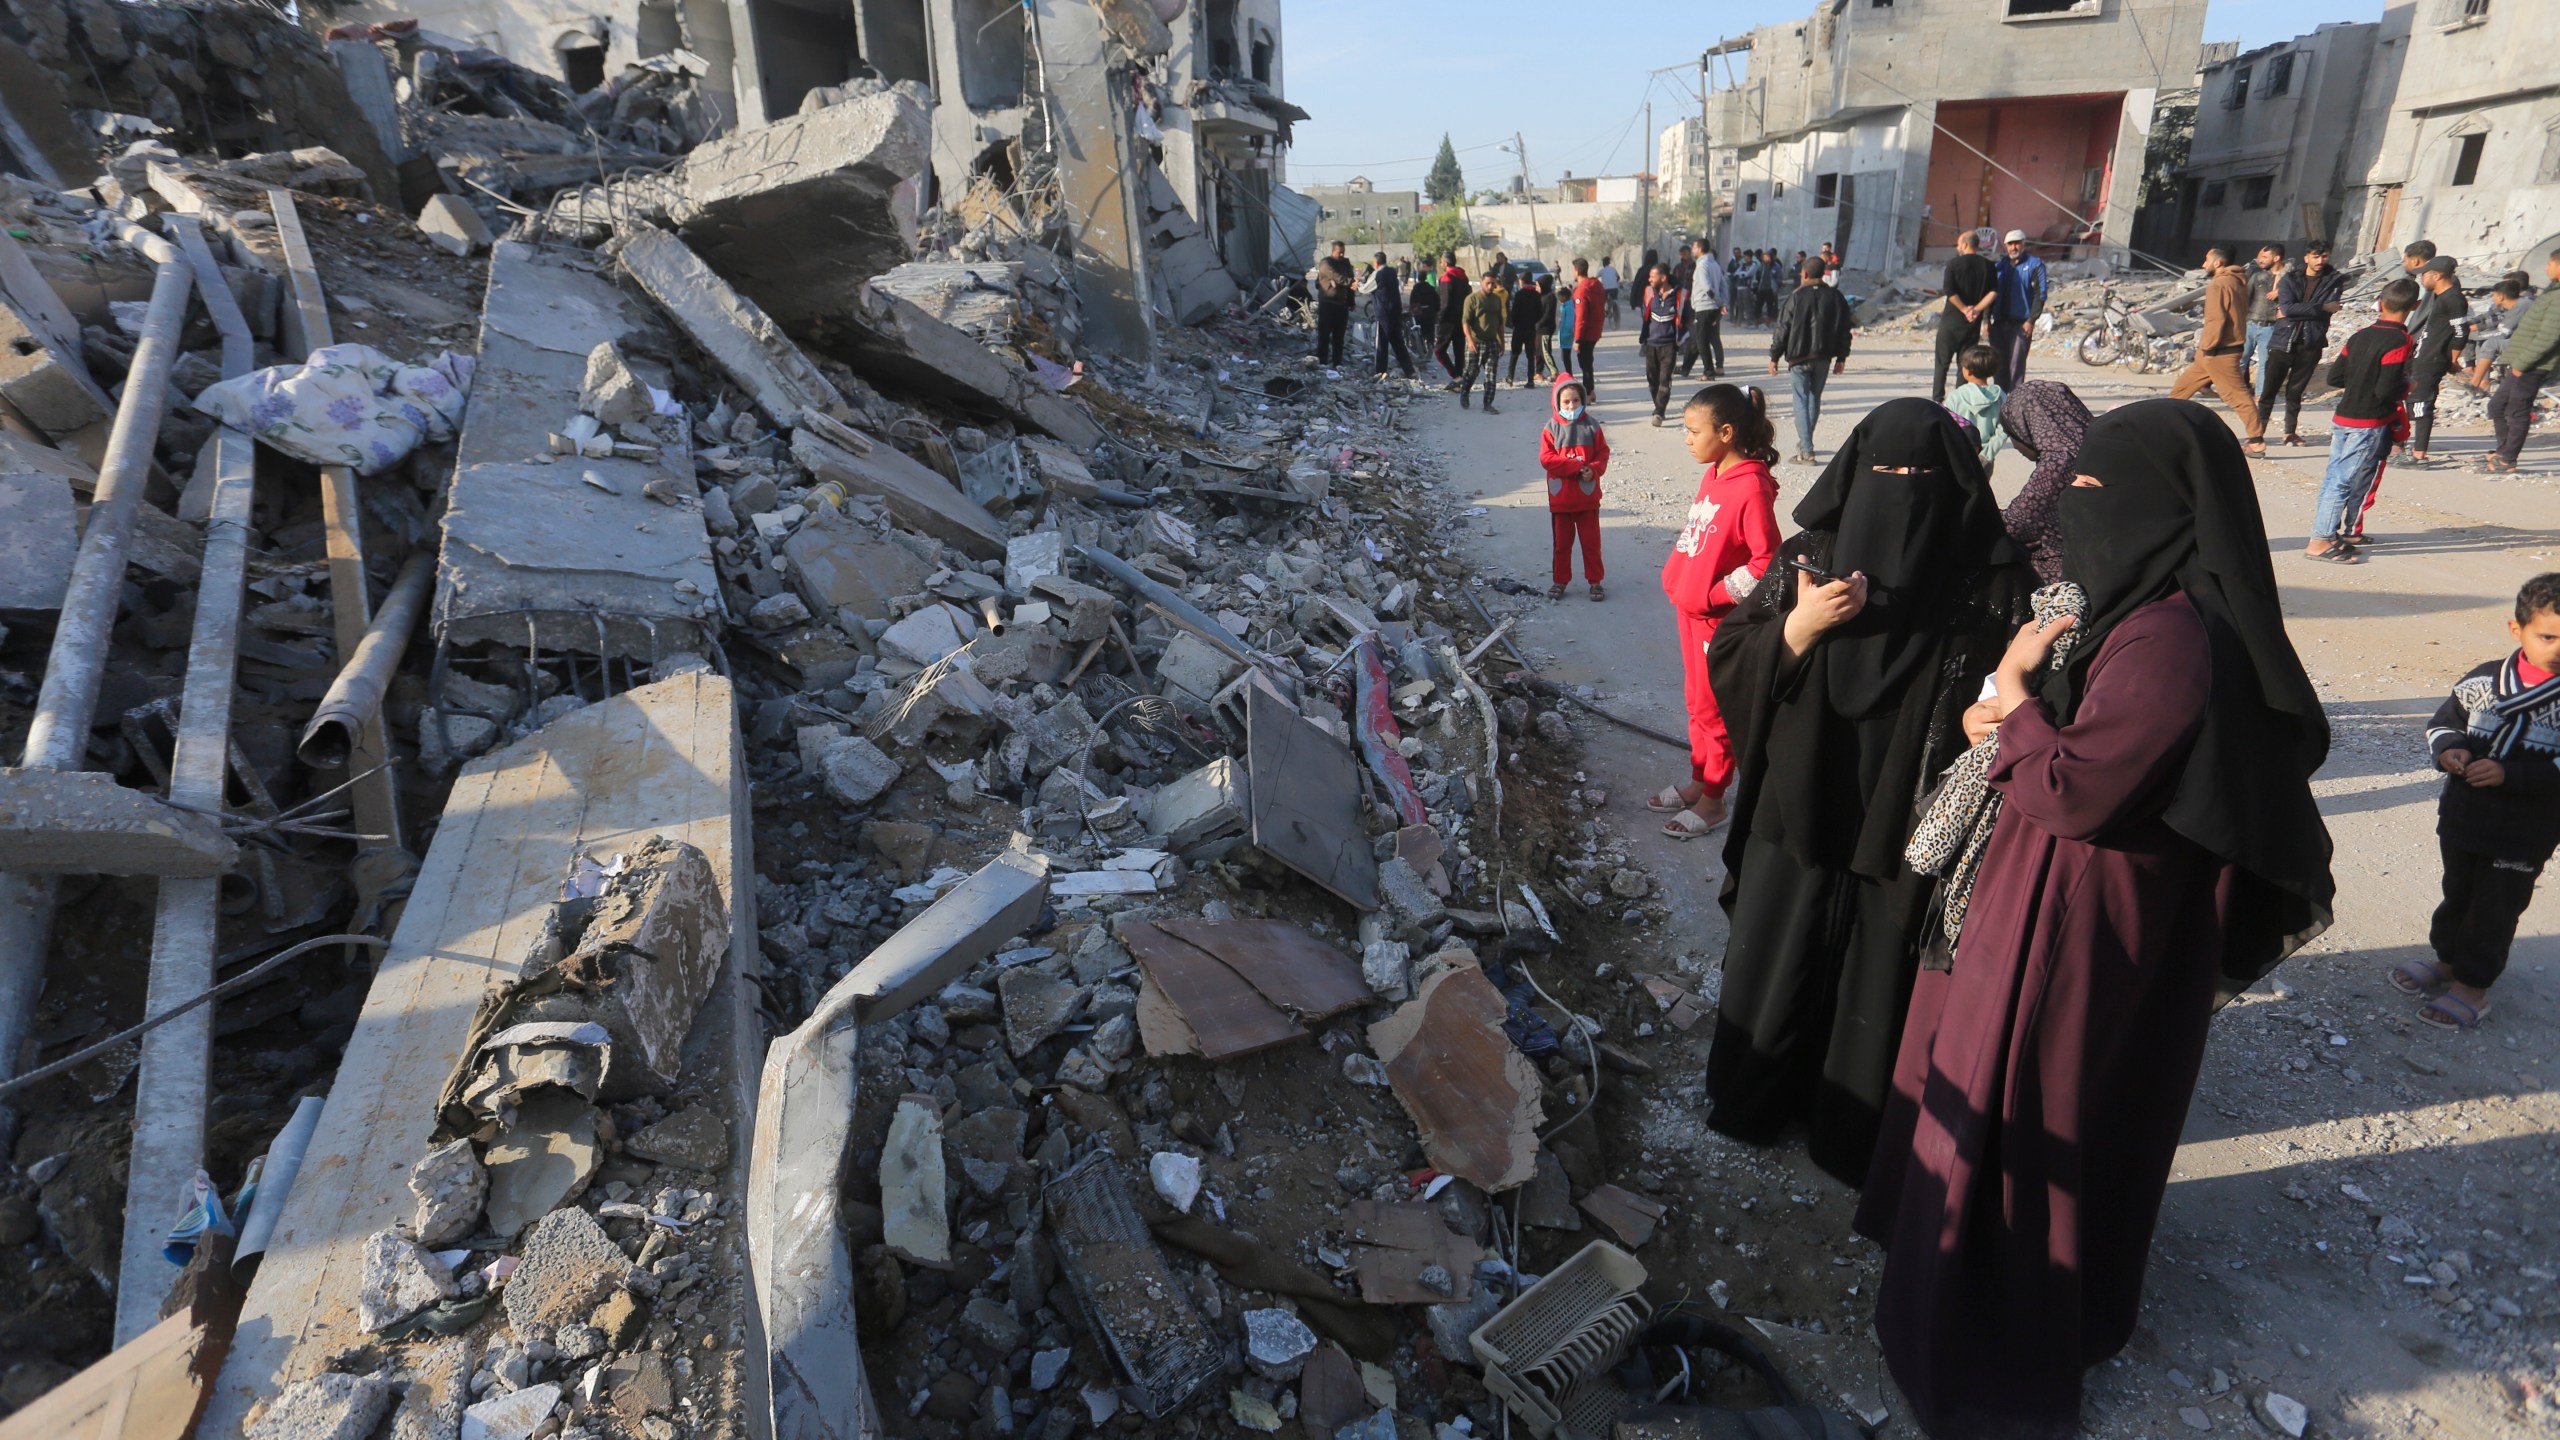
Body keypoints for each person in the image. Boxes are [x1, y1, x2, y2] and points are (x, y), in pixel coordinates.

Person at [1856, 397, 2336, 1440]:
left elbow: (2075, 791)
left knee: (2028, 1095)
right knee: (2002, 1083)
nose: (2077, 508)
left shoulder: (2168, 638)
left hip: (2079, 907)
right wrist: (2010, 714)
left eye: (2095, 490)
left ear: (2169, 506)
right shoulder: (2141, 606)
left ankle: (1988, 1343)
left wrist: (2016, 702)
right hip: (2055, 886)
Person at [1704, 398, 2032, 1184]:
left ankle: (1848, 1131)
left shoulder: (1990, 581)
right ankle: (1753, 1100)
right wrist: (1799, 628)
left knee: (1880, 972)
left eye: (1922, 474)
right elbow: (1732, 652)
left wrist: (1989, 714)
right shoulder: (1812, 556)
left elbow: (2015, 682)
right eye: (1886, 471)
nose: (1902, 489)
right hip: (1802, 797)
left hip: (1908, 810)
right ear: (1855, 474)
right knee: (1781, 942)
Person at [2403, 573, 2560, 1030]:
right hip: (2463, 817)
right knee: (2457, 893)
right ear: (2517, 630)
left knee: (2496, 907)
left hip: (2523, 834)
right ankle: (2448, 961)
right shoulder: (2485, 679)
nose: (2558, 648)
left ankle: (2473, 985)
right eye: (2547, 636)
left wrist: (2512, 774)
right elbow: (2444, 721)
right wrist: (2450, 749)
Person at [1652, 383, 1781, 840]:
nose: (1687, 439)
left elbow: (1767, 561)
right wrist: (1686, 585)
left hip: (1717, 620)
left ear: (1726, 433)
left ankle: (1713, 802)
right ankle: (1698, 781)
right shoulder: (1715, 473)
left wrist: (1713, 595)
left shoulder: (1751, 487)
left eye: (1694, 431)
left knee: (1715, 710)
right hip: (1690, 611)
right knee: (1695, 703)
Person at [2304, 277, 2418, 563]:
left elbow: (2335, 377)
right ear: (2415, 306)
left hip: (2344, 415)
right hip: (2368, 422)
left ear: (2380, 303)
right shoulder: (2401, 340)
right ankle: (2320, 541)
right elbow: (2386, 390)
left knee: (2334, 477)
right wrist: (2407, 386)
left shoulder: (2359, 335)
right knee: (2342, 481)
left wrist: (2360, 381)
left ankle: (2327, 535)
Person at [2166, 247, 2269, 458]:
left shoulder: (2219, 284)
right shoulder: (2237, 281)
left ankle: (2256, 441)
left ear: (2218, 263)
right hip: (2215, 352)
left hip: (2219, 351)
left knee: (2236, 396)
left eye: (2207, 260)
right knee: (2180, 390)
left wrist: (2209, 347)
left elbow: (2216, 319)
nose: (2203, 264)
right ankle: (2163, 429)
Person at [1998, 379, 2094, 584]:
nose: (2015, 446)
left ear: (2026, 428)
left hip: (2068, 579)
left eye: (2011, 435)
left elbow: (2016, 525)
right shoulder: (2098, 442)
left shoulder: (2060, 462)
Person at [1767, 257, 1853, 465]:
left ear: (1804, 274)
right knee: (1814, 399)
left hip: (1799, 358)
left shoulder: (1795, 297)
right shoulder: (1836, 297)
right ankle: (1806, 443)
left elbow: (1782, 329)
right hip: (1823, 357)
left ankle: (1806, 450)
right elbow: (1845, 330)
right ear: (1823, 274)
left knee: (1801, 400)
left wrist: (1774, 356)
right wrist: (1841, 357)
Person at [2257, 243, 2345, 446]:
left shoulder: (2334, 280)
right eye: (2315, 256)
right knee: (2269, 390)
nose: (2320, 261)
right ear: (2306, 258)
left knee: (2295, 392)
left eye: (2324, 256)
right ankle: (2258, 432)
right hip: (2283, 340)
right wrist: (2321, 307)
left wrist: (2302, 309)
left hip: (2311, 342)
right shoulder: (2290, 278)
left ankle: (2290, 432)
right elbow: (2288, 308)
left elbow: (2331, 307)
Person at [2483, 248, 2560, 476]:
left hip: (2534, 364)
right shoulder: (2553, 292)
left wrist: (2522, 364)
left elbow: (2548, 337)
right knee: (2497, 406)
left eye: (2550, 264)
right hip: (2523, 361)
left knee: (2517, 410)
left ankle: (2508, 459)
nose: (2546, 268)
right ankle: (2503, 451)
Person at [1539, 375, 1610, 601]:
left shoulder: (1592, 426)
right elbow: (1547, 459)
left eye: (1576, 401)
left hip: (1587, 499)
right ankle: (1560, 581)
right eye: (1566, 402)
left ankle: (1595, 581)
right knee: (1562, 544)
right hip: (1561, 500)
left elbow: (1602, 453)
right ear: (1557, 402)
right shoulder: (1551, 428)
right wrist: (1577, 467)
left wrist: (1594, 469)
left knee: (1591, 543)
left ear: (1583, 400)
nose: (1571, 406)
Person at [2403, 257, 2469, 466]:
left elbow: (2461, 332)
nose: (2422, 279)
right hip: (2423, 356)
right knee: (2410, 400)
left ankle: (2419, 455)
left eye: (2424, 275)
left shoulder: (2454, 299)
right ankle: (2403, 445)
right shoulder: (2441, 298)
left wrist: (2453, 359)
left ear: (2437, 276)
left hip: (2432, 360)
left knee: (2422, 404)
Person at [1931, 228, 1998, 403]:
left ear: (1965, 244)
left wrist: (1963, 309)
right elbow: (1993, 292)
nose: (1957, 247)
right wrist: (1976, 310)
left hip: (1950, 323)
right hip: (1972, 325)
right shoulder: (1988, 266)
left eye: (1959, 244)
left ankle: (1937, 400)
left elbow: (1949, 291)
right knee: (1966, 365)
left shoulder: (1954, 264)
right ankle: (1959, 402)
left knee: (1942, 364)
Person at [1989, 229, 2047, 392]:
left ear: (2023, 244)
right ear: (2006, 246)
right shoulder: (2000, 265)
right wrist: (1986, 320)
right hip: (1999, 322)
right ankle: (2000, 397)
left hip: (2021, 323)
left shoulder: (2035, 264)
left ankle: (2015, 398)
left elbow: (2041, 294)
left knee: (2016, 364)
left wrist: (2031, 320)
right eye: (2010, 244)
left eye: (2017, 243)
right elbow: (1990, 293)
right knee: (1998, 363)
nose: (2013, 247)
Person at [1943, 344, 2006, 464]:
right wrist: (1986, 455)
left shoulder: (1955, 397)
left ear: (1968, 372)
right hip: (1986, 457)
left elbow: (1946, 427)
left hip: (1959, 456)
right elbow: (2003, 430)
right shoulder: (2000, 397)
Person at [2462, 279, 2527, 393]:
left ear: (2501, 296)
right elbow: (2488, 315)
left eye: (2494, 295)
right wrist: (2469, 324)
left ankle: (2480, 382)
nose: (2492, 298)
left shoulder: (2520, 307)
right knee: (2478, 338)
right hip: (2512, 335)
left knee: (2488, 343)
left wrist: (2479, 330)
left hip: (2522, 341)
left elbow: (2503, 330)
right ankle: (2477, 376)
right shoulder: (2510, 305)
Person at [1639, 264, 1684, 426]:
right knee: (1652, 381)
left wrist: (1682, 341)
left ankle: (1659, 411)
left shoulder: (1680, 295)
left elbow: (1686, 320)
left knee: (1665, 379)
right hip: (1651, 344)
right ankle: (1658, 405)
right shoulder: (1649, 293)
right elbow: (1645, 315)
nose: (1649, 279)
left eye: (1653, 276)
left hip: (1669, 346)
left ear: (1663, 278)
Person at [1458, 271, 1508, 413]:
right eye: (1488, 283)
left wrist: (1502, 342)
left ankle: (1488, 404)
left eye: (1493, 283)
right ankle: (1465, 392)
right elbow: (1465, 322)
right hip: (1475, 342)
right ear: (1481, 283)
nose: (1491, 286)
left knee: (1491, 375)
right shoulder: (1472, 299)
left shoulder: (1496, 299)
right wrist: (1469, 340)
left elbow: (1500, 323)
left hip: (1492, 342)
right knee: (1471, 372)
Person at [2241, 242, 2286, 390]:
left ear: (2276, 258)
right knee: (2241, 360)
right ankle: (2236, 392)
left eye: (2265, 257)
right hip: (2250, 323)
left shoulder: (2289, 278)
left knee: (2265, 363)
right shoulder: (2258, 276)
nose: (2260, 260)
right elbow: (2246, 298)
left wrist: (2280, 291)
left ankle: (2260, 395)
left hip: (2270, 327)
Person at [1681, 240, 1727, 379]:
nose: (1692, 250)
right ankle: (1685, 368)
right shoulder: (1715, 264)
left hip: (1704, 307)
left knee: (1701, 340)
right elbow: (1723, 285)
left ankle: (1708, 372)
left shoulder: (1702, 265)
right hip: (1713, 308)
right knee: (1697, 338)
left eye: (1694, 247)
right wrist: (1723, 303)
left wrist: (1719, 302)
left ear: (1700, 248)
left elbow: (1707, 288)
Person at [1368, 252, 1414, 380]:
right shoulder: (1392, 272)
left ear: (1376, 262)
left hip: (1383, 312)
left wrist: (1357, 285)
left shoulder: (1378, 274)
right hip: (1395, 310)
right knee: (1398, 342)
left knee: (1382, 343)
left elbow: (1366, 288)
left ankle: (1381, 371)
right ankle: (1409, 370)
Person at [1314, 241, 1356, 365]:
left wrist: (1351, 301)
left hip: (1341, 305)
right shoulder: (1326, 263)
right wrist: (1346, 281)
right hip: (1327, 304)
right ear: (1333, 251)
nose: (1342, 254)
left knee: (1339, 336)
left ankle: (1337, 363)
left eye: (1343, 252)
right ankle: (1322, 362)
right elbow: (1337, 276)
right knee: (1324, 335)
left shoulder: (1346, 264)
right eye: (1339, 252)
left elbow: (1350, 285)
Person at [1569, 258, 1606, 396]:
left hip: (1586, 332)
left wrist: (1577, 339)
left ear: (1577, 271)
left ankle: (1589, 392)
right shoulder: (1597, 286)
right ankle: (1590, 391)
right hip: (1596, 329)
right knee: (1587, 361)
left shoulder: (1582, 290)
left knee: (1585, 363)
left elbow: (1581, 317)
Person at [1505, 270, 1546, 385]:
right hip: (1531, 329)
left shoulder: (1519, 294)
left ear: (1522, 281)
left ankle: (1510, 377)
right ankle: (1530, 380)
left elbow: (1514, 312)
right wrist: (1533, 321)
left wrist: (1514, 323)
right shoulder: (1536, 295)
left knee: (1514, 354)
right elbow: (1540, 313)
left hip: (1519, 328)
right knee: (1530, 355)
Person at [1434, 253, 1470, 382]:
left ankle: (1456, 376)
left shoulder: (1446, 278)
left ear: (1445, 262)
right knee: (1459, 351)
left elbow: (1445, 303)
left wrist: (1439, 318)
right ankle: (1460, 377)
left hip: (1448, 320)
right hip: (1462, 318)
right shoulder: (1463, 276)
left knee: (1439, 350)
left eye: (1441, 261)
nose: (1440, 264)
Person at [1407, 267, 1442, 376]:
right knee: (1430, 330)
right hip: (1430, 313)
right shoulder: (1431, 289)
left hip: (1419, 313)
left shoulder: (1415, 289)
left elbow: (1412, 302)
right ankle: (1430, 344)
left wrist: (1412, 311)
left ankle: (1421, 349)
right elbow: (1437, 301)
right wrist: (1436, 311)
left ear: (1418, 278)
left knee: (1419, 331)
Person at [1537, 274, 1562, 380]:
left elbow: (1547, 315)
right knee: (1539, 350)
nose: (1536, 288)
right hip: (1540, 328)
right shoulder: (1542, 296)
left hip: (1545, 328)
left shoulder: (1549, 297)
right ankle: (1538, 372)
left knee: (1545, 351)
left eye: (1538, 285)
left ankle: (1554, 372)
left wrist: (1537, 324)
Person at [1554, 277, 1578, 380]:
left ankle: (1569, 375)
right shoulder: (1564, 306)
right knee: (1564, 357)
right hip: (1563, 334)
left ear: (1564, 296)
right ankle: (1569, 374)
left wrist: (1567, 333)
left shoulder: (1569, 307)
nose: (1559, 298)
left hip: (1566, 335)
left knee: (1566, 357)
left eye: (1560, 296)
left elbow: (1569, 323)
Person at [1599, 255, 1622, 321]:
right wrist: (1615, 282)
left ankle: (1606, 310)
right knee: (1614, 299)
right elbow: (1618, 277)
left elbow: (1596, 277)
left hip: (1606, 289)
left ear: (1603, 263)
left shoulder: (1602, 271)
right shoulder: (1613, 269)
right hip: (1615, 288)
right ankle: (1615, 309)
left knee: (1603, 299)